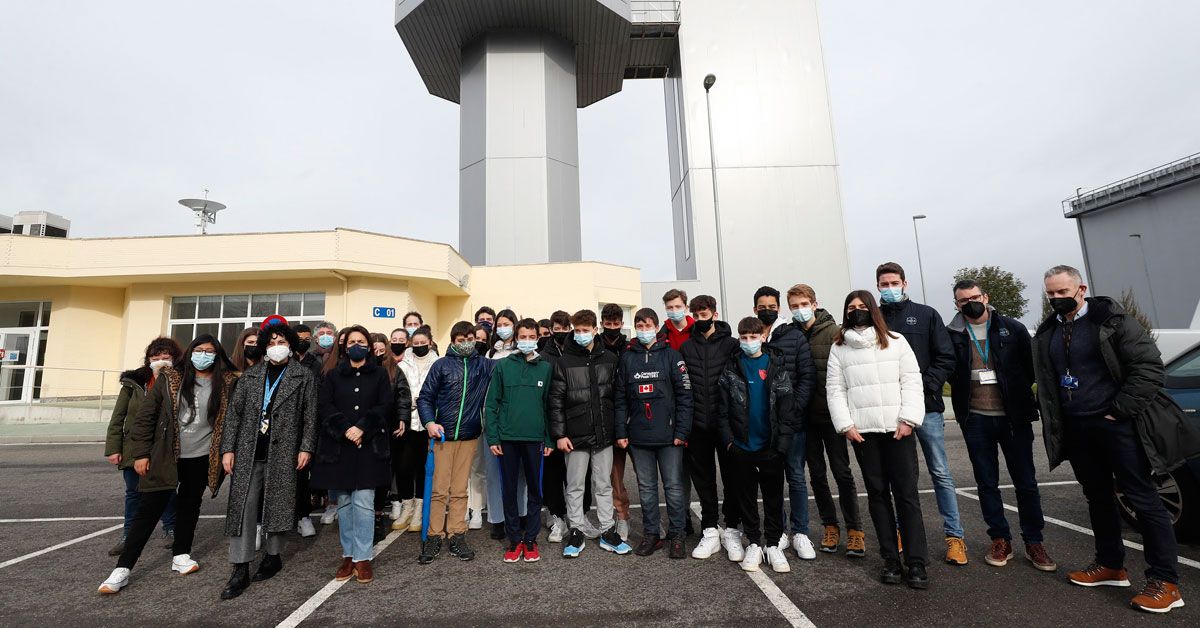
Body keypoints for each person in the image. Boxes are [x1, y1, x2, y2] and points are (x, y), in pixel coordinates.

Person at [1035, 265, 1199, 613]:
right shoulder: (1050, 330)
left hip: (1118, 425)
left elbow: (1150, 368)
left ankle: (1165, 582)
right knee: (1097, 497)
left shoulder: (1112, 320)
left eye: (1062, 292)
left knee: (1142, 498)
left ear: (1081, 288)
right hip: (1078, 427)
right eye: (1051, 294)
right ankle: (1111, 565)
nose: (1056, 299)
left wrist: (1120, 410)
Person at [98, 335, 237, 595]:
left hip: (201, 456)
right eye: (199, 350)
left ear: (217, 355)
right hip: (166, 455)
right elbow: (145, 417)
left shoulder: (227, 382)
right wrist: (141, 454)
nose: (204, 355)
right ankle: (123, 568)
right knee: (148, 509)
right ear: (190, 352)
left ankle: (181, 554)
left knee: (189, 505)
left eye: (209, 351)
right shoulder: (170, 378)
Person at [947, 279, 1056, 572]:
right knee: (986, 483)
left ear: (985, 297)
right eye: (962, 300)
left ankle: (1034, 541)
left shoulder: (1012, 328)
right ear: (956, 305)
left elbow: (1032, 368)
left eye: (973, 297)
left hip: (1013, 419)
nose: (969, 303)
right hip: (976, 419)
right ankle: (999, 538)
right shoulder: (953, 334)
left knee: (1026, 483)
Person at [827, 291, 928, 589]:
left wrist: (908, 419)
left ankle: (917, 562)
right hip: (863, 434)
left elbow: (911, 380)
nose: (857, 311)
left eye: (862, 307)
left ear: (873, 310)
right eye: (851, 308)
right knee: (878, 496)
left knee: (907, 496)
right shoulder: (839, 348)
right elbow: (835, 389)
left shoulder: (896, 341)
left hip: (898, 430)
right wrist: (846, 425)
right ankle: (891, 560)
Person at [218, 318, 318, 599]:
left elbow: (311, 416)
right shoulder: (250, 377)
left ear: (290, 345)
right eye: (272, 343)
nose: (277, 347)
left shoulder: (303, 376)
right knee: (243, 507)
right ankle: (240, 565)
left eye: (282, 343)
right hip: (250, 451)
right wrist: (228, 449)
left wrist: (306, 447)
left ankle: (273, 555)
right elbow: (233, 416)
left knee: (279, 502)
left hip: (285, 450)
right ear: (264, 347)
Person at [876, 262, 966, 565]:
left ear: (905, 283)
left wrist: (921, 388)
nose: (889, 288)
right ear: (877, 287)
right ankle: (903, 532)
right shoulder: (873, 319)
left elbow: (945, 358)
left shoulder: (927, 315)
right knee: (901, 478)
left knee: (940, 472)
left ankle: (955, 537)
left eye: (894, 283)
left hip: (926, 409)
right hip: (890, 412)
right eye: (883, 284)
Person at [308, 325, 394, 585]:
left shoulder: (379, 374)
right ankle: (348, 554)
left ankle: (363, 557)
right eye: (352, 341)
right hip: (340, 446)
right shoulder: (333, 375)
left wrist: (362, 428)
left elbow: (385, 405)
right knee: (344, 504)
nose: (356, 344)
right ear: (344, 346)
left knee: (365, 503)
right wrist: (346, 428)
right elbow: (325, 405)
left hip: (368, 446)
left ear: (368, 345)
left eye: (361, 341)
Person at [714, 316, 797, 573]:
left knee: (773, 497)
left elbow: (786, 411)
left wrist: (781, 447)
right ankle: (753, 542)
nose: (749, 342)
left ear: (763, 337)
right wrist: (729, 443)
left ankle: (772, 544)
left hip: (770, 448)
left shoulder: (776, 366)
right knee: (746, 497)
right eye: (744, 337)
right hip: (741, 448)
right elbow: (723, 411)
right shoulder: (731, 369)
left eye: (753, 337)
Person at [787, 284, 864, 557]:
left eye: (803, 304)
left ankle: (855, 529)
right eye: (794, 306)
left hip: (832, 417)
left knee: (842, 473)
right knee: (817, 475)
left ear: (814, 303)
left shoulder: (834, 332)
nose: (799, 309)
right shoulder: (791, 335)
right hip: (805, 419)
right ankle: (830, 525)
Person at [549, 309, 629, 558]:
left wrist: (618, 430)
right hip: (574, 436)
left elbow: (617, 399)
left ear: (596, 330)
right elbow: (556, 401)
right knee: (574, 486)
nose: (582, 334)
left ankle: (608, 531)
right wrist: (560, 434)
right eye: (578, 330)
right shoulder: (564, 362)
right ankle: (576, 530)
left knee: (603, 484)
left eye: (586, 330)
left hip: (604, 434)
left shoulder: (609, 359)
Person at [615, 307, 693, 558]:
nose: (644, 329)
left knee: (673, 487)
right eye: (640, 325)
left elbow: (685, 395)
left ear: (657, 327)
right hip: (638, 437)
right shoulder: (627, 358)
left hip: (670, 437)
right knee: (646, 488)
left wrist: (682, 430)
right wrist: (621, 431)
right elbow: (619, 399)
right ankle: (651, 535)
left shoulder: (672, 356)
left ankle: (677, 535)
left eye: (649, 325)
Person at [416, 321, 496, 564]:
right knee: (440, 489)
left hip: (470, 435)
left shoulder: (483, 365)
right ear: (453, 341)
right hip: (443, 436)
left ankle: (457, 534)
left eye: (470, 338)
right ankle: (434, 536)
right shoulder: (441, 365)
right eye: (461, 340)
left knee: (460, 489)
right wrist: (430, 422)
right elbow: (425, 398)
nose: (466, 343)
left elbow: (508, 365)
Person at [103, 337, 183, 557]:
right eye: (155, 358)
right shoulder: (134, 383)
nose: (160, 362)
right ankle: (129, 535)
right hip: (134, 446)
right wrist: (113, 447)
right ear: (148, 360)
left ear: (174, 359)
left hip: (165, 447)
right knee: (134, 493)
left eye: (165, 358)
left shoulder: (179, 380)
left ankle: (171, 529)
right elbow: (118, 416)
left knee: (166, 490)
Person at [485, 318, 554, 562]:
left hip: (535, 439)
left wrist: (548, 440)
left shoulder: (545, 368)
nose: (526, 341)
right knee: (509, 490)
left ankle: (531, 539)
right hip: (507, 440)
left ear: (537, 338)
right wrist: (493, 436)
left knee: (535, 490)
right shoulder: (503, 366)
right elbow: (492, 403)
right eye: (522, 337)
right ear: (516, 338)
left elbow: (548, 407)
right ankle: (514, 540)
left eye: (530, 337)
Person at [677, 295, 741, 560]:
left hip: (726, 425)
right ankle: (710, 530)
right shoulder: (686, 348)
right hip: (697, 425)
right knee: (704, 482)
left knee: (732, 479)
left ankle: (733, 530)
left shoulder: (732, 345)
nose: (700, 319)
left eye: (704, 314)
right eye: (696, 314)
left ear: (714, 314)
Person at [478, 309, 525, 540]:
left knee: (519, 473)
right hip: (493, 417)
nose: (502, 327)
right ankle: (498, 518)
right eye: (500, 324)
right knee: (494, 472)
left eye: (507, 323)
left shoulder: (522, 352)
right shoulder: (490, 353)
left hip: (516, 417)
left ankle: (521, 514)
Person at [392, 327, 437, 533]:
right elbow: (398, 390)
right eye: (416, 343)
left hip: (428, 422)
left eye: (423, 343)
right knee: (403, 466)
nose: (419, 346)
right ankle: (406, 506)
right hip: (406, 423)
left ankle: (419, 508)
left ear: (430, 342)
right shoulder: (402, 364)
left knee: (422, 467)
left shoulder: (438, 363)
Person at [540, 309, 576, 542]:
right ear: (551, 329)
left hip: (575, 422)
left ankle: (577, 517)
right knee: (552, 476)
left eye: (565, 328)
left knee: (575, 476)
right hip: (550, 422)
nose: (561, 332)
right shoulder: (544, 355)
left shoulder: (576, 351)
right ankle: (557, 517)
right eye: (557, 328)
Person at [599, 303, 632, 540]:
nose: (612, 328)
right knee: (614, 475)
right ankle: (621, 517)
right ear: (602, 324)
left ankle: (652, 518)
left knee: (647, 474)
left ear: (621, 323)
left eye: (615, 324)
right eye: (608, 324)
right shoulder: (595, 347)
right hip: (607, 418)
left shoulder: (630, 348)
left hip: (634, 417)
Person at [291, 323, 320, 536]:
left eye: (307, 338)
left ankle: (303, 516)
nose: (303, 341)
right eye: (299, 338)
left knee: (302, 476)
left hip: (306, 424)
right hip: (283, 426)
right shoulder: (283, 361)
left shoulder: (315, 363)